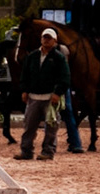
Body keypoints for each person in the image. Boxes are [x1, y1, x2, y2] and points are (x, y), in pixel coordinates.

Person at [14, 27, 66, 160]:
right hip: (33, 97)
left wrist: (57, 93)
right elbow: (24, 74)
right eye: (44, 37)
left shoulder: (59, 58)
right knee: (29, 126)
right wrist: (24, 90)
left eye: (49, 38)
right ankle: (26, 151)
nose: (46, 40)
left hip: (50, 98)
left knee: (51, 128)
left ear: (55, 40)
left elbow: (65, 77)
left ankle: (48, 151)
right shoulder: (32, 56)